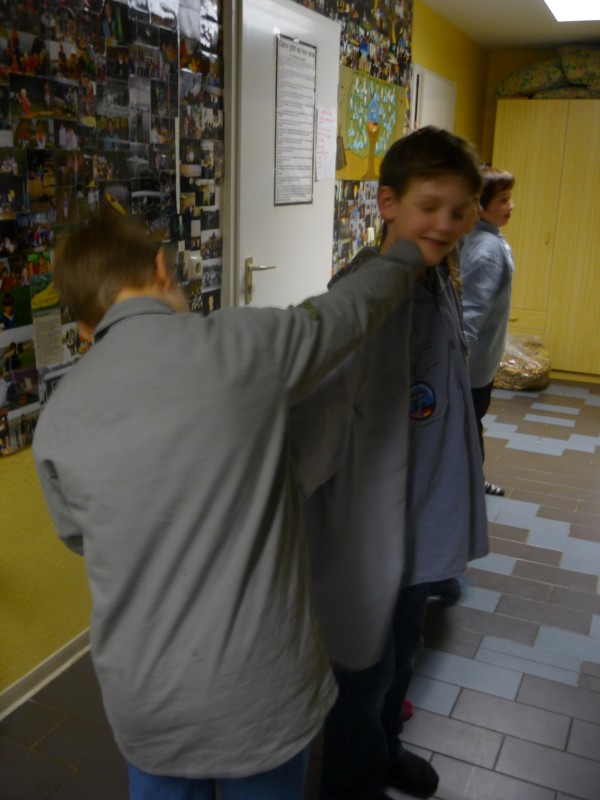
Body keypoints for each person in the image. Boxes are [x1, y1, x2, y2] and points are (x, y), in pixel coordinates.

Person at [32, 216, 424, 800]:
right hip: (259, 694)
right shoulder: (243, 344)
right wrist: (407, 254)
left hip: (146, 697)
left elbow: (79, 537)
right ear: (161, 268)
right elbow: (347, 311)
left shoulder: (57, 420)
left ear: (87, 328)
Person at [292, 126, 488, 800]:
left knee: (405, 649)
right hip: (374, 526)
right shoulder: (366, 296)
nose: (446, 224)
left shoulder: (436, 276)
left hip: (421, 513)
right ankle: (351, 781)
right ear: (387, 203)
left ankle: (383, 749)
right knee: (366, 668)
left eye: (460, 210)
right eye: (429, 206)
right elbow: (321, 422)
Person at [460, 167, 515, 496]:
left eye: (510, 198)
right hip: (473, 365)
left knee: (469, 422)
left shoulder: (487, 238)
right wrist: (456, 365)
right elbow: (470, 313)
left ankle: (469, 481)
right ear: (480, 206)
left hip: (481, 360)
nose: (511, 206)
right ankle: (470, 483)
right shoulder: (486, 251)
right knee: (469, 422)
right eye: (503, 200)